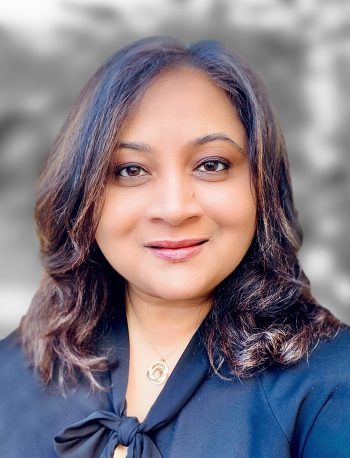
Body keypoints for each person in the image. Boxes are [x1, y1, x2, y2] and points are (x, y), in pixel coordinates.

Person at [0, 36, 349, 458]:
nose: (174, 208)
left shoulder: (330, 383)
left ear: (261, 185)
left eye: (212, 164)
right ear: (82, 196)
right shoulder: (14, 373)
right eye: (130, 170)